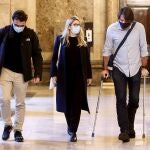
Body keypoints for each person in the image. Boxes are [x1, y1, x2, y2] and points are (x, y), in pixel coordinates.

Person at [101, 7, 149, 142]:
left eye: (127, 21)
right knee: (121, 99)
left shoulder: (139, 28)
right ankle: (124, 130)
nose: (124, 23)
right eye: (122, 20)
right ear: (118, 18)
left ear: (131, 20)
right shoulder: (112, 29)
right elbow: (107, 50)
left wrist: (144, 66)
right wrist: (104, 69)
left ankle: (130, 126)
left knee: (134, 100)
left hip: (135, 67)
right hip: (118, 68)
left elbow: (143, 47)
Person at [0, 10, 43, 142]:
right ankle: (7, 125)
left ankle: (18, 130)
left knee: (20, 102)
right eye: (17, 25)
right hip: (5, 71)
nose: (19, 28)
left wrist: (38, 73)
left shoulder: (31, 34)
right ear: (13, 21)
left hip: (22, 73)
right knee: (4, 99)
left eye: (22, 25)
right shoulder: (4, 32)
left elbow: (37, 54)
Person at [50, 16, 92, 142]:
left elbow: (87, 61)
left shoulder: (83, 42)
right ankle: (70, 125)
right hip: (64, 76)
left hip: (79, 77)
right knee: (66, 104)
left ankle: (73, 130)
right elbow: (53, 59)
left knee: (77, 104)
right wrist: (54, 74)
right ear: (68, 26)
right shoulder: (61, 39)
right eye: (74, 24)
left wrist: (89, 76)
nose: (77, 26)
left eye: (78, 24)